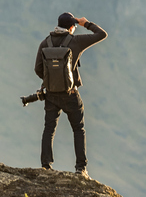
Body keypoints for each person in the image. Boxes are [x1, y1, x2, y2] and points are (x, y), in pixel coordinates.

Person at [34, 12, 107, 176]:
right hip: (70, 94)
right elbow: (102, 34)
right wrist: (86, 23)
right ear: (72, 27)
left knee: (49, 128)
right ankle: (81, 168)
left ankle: (45, 166)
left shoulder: (45, 43)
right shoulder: (76, 41)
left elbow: (38, 69)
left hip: (51, 94)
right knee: (78, 129)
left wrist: (52, 82)